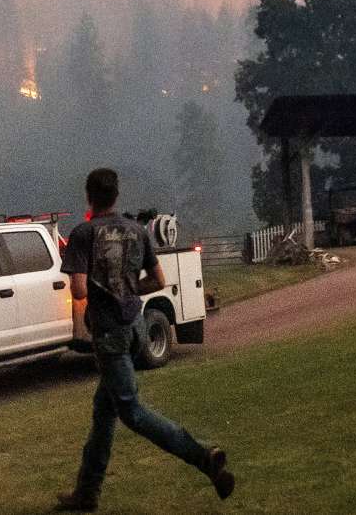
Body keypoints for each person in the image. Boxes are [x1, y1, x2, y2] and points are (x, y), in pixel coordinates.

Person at [56, 168, 234, 512]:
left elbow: (78, 289)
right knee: (103, 413)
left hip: (109, 335)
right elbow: (159, 279)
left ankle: (204, 457)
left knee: (132, 412)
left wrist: (99, 295)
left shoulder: (83, 234)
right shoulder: (137, 231)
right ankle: (86, 493)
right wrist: (126, 288)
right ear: (116, 196)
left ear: (89, 197)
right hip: (135, 327)